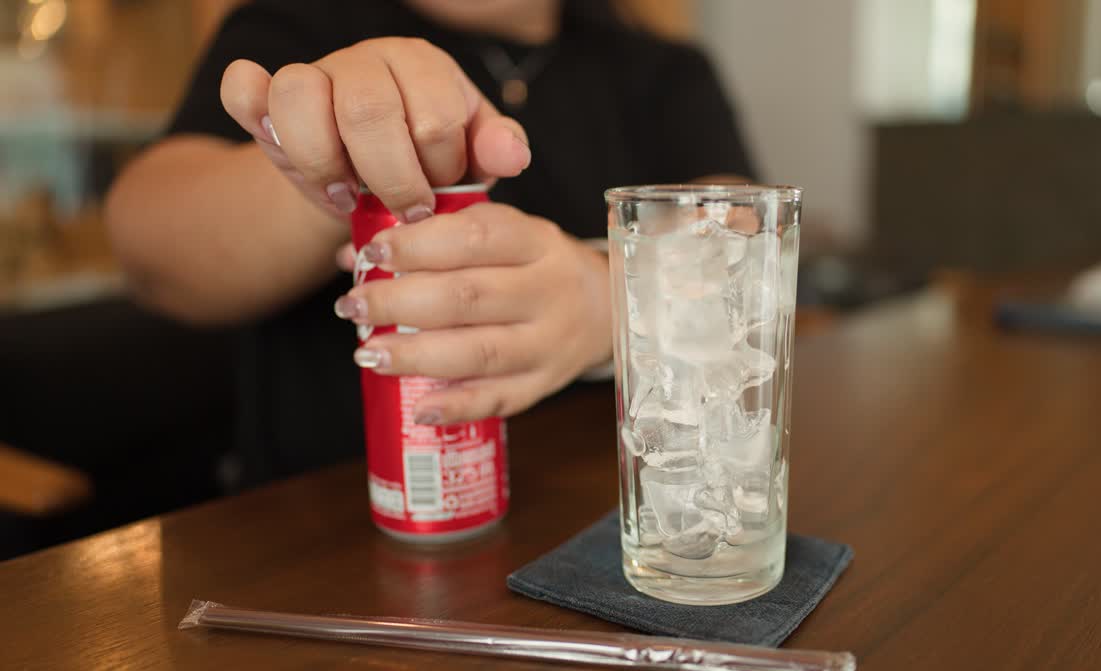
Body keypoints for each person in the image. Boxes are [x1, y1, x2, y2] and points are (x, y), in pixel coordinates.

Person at [106, 0, 754, 486]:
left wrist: (612, 294)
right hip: (323, 544)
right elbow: (147, 245)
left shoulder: (662, 68)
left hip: (607, 517)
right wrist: (335, 164)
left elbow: (746, 244)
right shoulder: (295, 27)